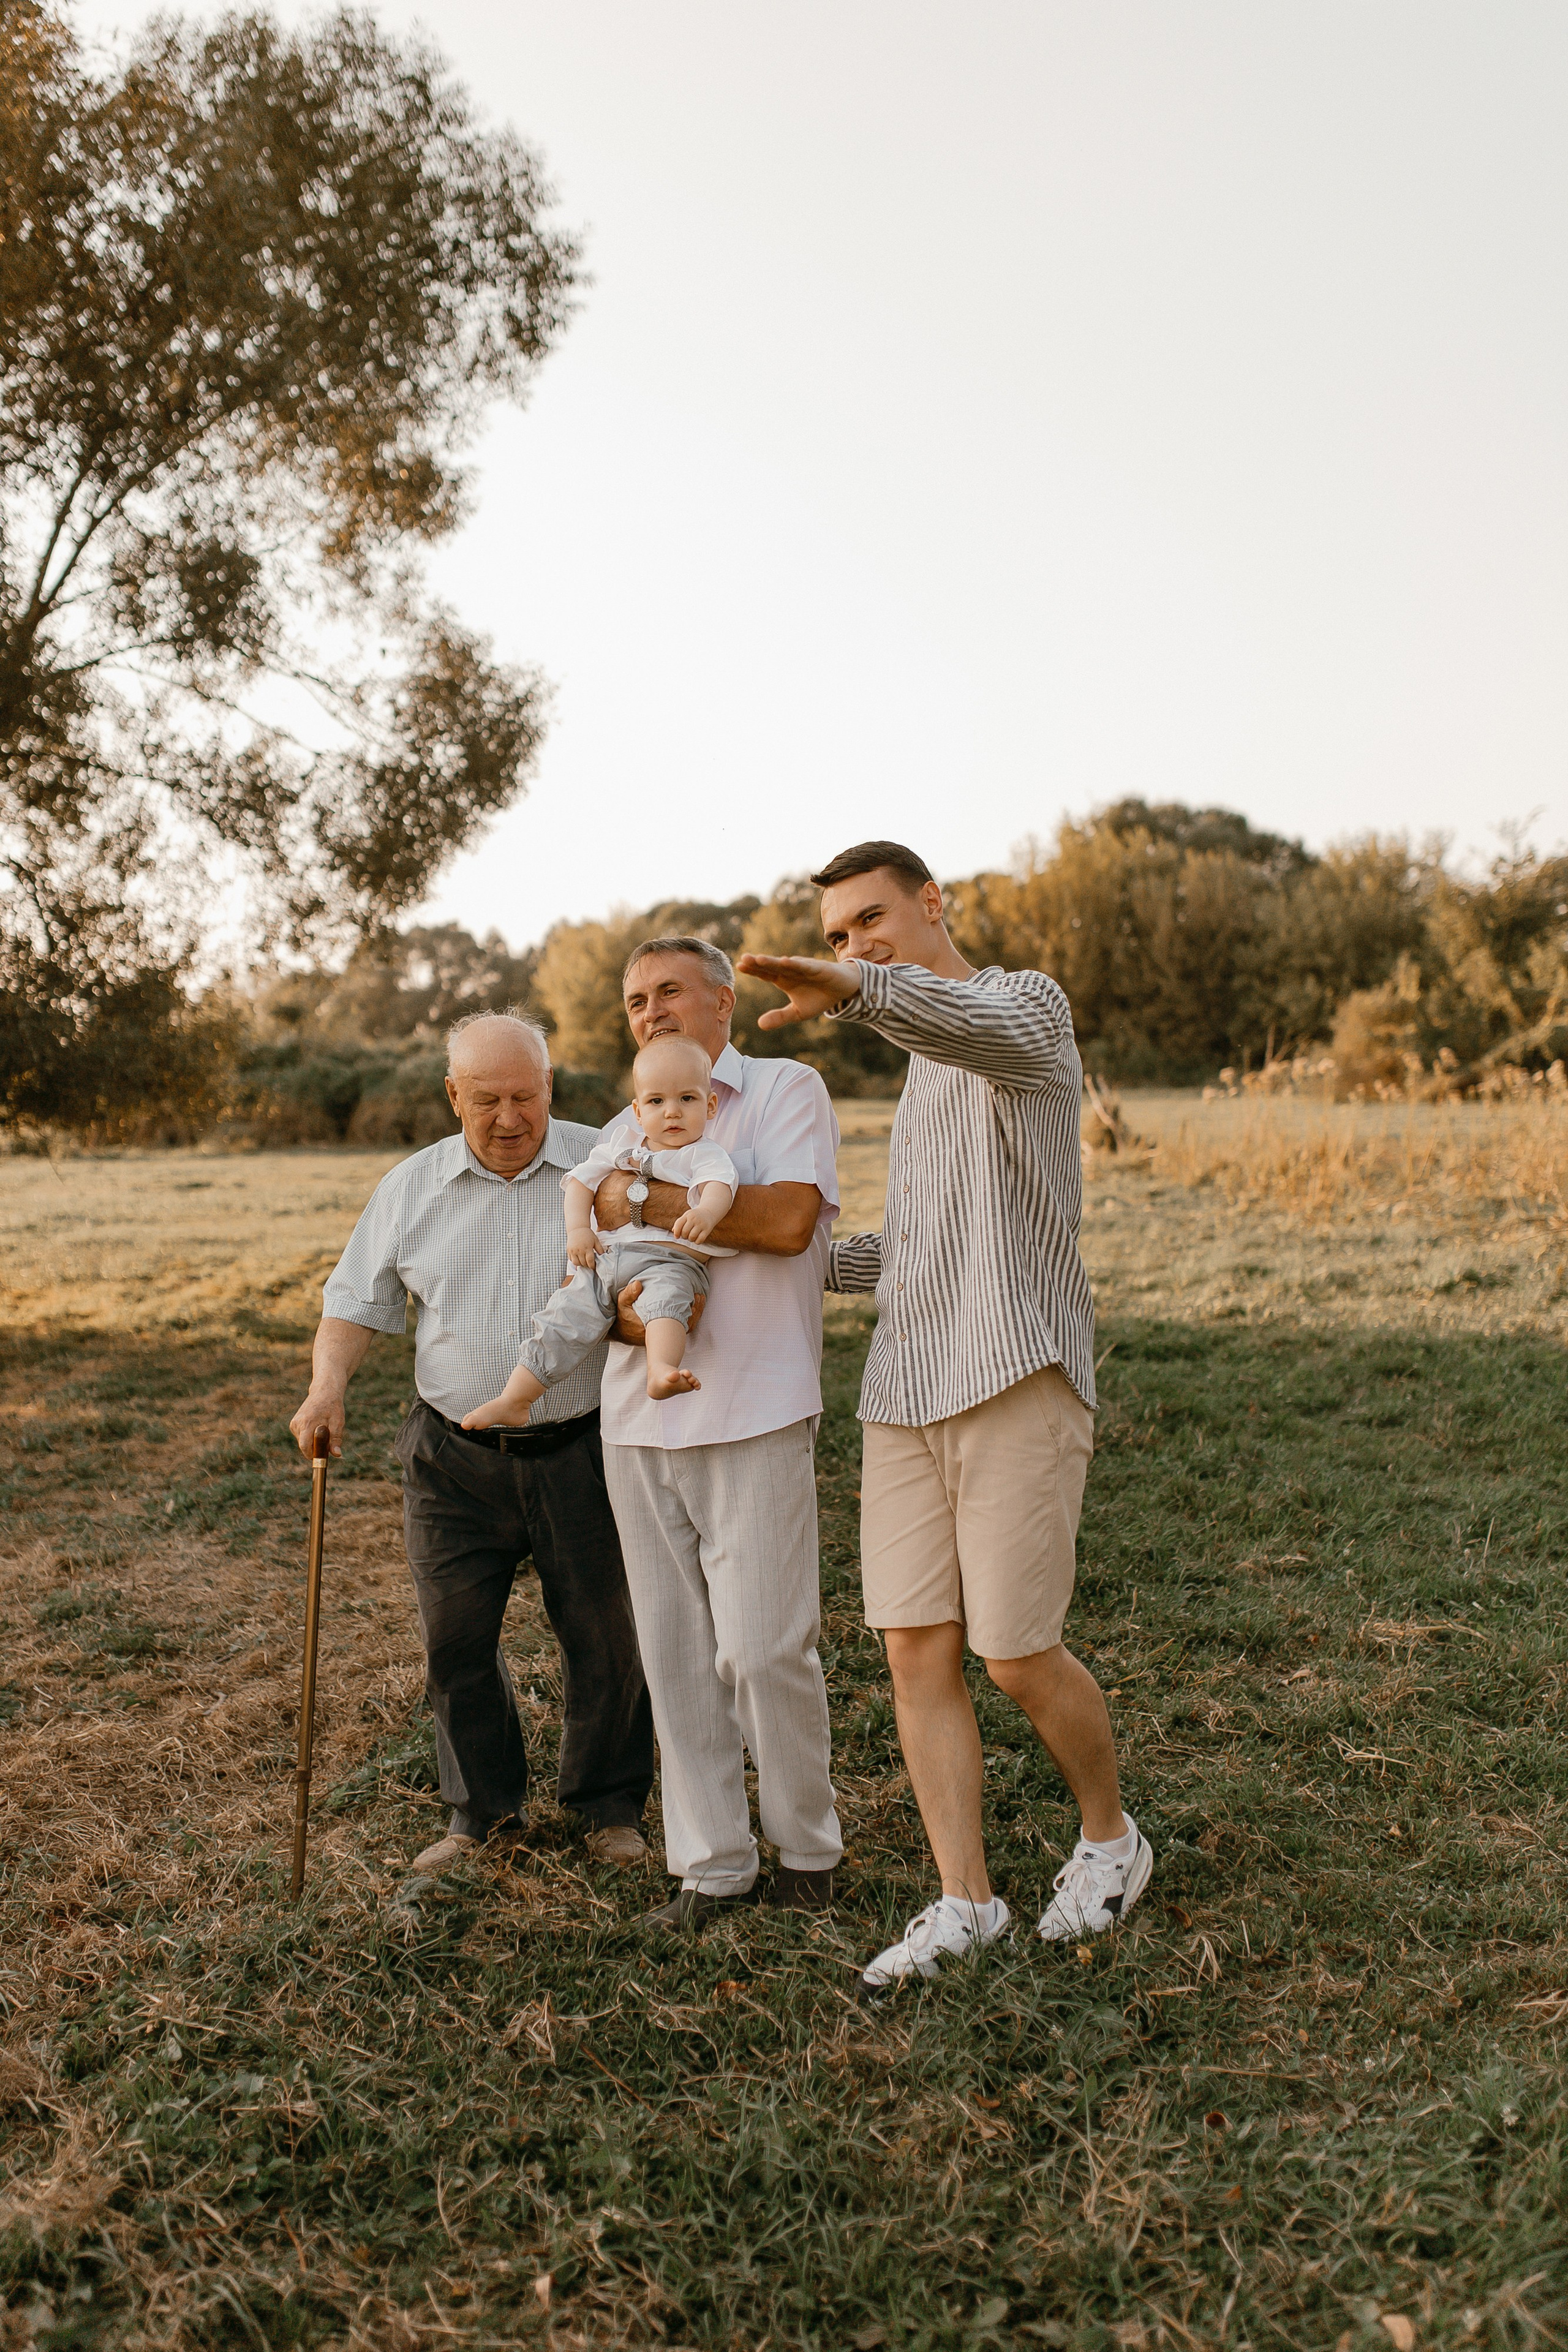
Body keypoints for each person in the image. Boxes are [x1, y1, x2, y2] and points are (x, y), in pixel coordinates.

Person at [738, 841, 1153, 1998]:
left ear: (932, 903)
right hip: (906, 1387)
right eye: (835, 938)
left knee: (1015, 1652)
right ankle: (966, 1900)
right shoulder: (920, 1078)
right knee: (914, 1648)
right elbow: (906, 1254)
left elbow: (975, 1028)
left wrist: (863, 993)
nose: (854, 946)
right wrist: (769, 1241)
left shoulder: (1025, 1008)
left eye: (870, 920)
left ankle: (1113, 1838)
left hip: (1017, 1368)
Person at [287, 1012, 654, 1880]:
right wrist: (327, 1386)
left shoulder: (607, 1170)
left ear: (551, 1088)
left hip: (583, 1446)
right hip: (451, 1457)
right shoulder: (412, 1188)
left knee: (605, 1637)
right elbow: (353, 1299)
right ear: (453, 1095)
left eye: (525, 1096)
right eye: (486, 1099)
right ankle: (481, 1815)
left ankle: (607, 1809)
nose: (509, 1117)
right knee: (455, 1642)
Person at [587, 935, 845, 1926]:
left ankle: (809, 1854)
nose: (649, 1011)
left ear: (724, 1005)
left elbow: (786, 1224)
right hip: (638, 1418)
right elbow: (596, 1281)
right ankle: (711, 1867)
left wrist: (646, 1201)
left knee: (766, 1649)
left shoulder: (784, 1093)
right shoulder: (621, 1125)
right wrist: (627, 1306)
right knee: (677, 1654)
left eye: (669, 992)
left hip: (758, 1407)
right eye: (634, 999)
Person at [462, 1034, 737, 1427]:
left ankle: (660, 1369)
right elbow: (580, 1183)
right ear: (638, 1112)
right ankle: (516, 1397)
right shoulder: (619, 1147)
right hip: (605, 1258)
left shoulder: (705, 1154)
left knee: (666, 1302)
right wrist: (577, 1229)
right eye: (657, 1101)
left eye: (687, 1099)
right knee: (564, 1318)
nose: (672, 1113)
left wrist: (707, 1213)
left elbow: (720, 1187)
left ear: (710, 1105)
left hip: (669, 1259)